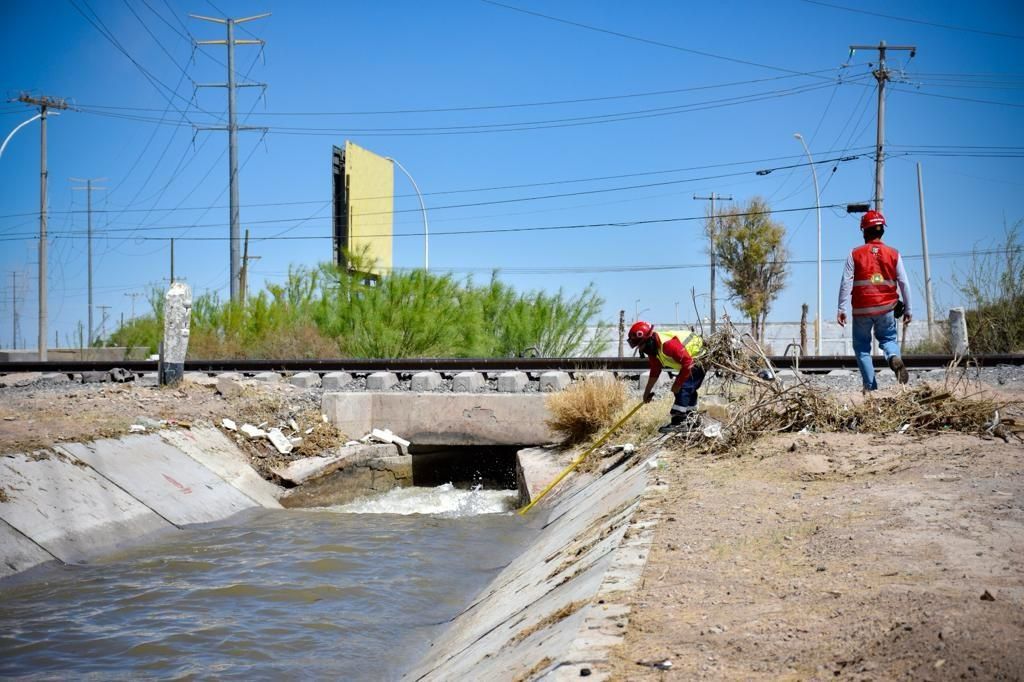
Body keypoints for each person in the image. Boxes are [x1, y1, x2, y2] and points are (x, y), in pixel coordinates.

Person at [837, 210, 913, 391]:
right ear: (882, 231)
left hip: (862, 309)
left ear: (864, 231)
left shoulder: (854, 254)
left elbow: (846, 282)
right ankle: (893, 356)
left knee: (862, 348)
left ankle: (870, 388)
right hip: (886, 308)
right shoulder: (894, 254)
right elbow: (904, 282)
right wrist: (908, 309)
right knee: (888, 339)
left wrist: (841, 308)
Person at [628, 321, 706, 430]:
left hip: (700, 359)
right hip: (691, 362)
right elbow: (655, 371)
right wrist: (646, 393)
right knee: (688, 390)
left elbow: (688, 362)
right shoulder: (654, 351)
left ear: (649, 339)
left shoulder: (668, 344)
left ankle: (679, 422)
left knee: (682, 388)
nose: (641, 349)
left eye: (641, 345)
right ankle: (691, 420)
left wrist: (678, 384)